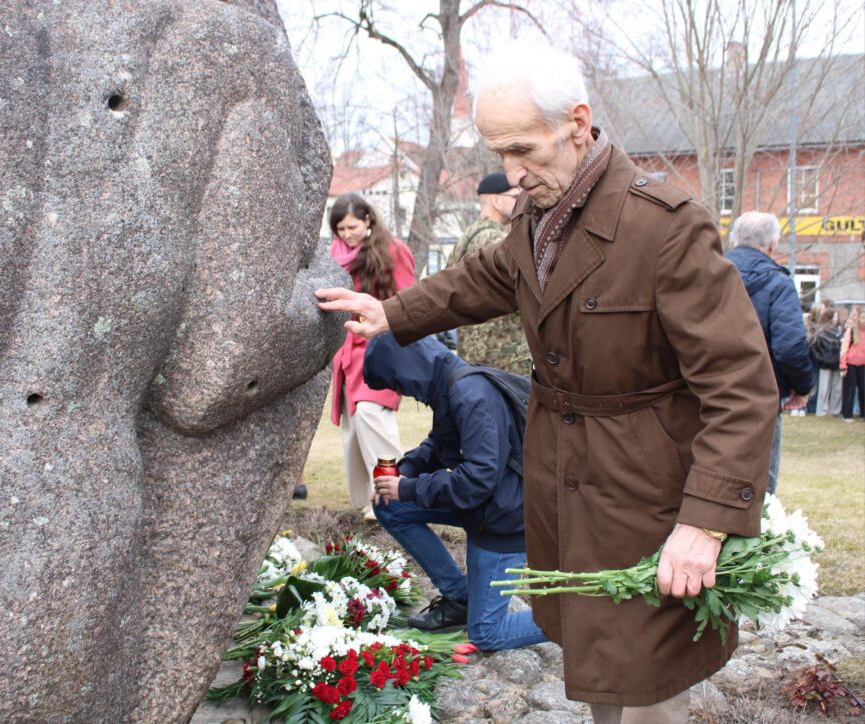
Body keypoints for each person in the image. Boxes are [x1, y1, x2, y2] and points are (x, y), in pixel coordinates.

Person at [316, 42, 777, 722]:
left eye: (522, 150)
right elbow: (488, 277)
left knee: (647, 674)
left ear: (579, 123)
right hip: (567, 477)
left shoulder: (666, 228)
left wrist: (705, 523)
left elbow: (741, 385)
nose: (510, 173)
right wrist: (390, 312)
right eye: (498, 153)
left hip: (644, 487)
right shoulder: (543, 212)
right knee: (597, 658)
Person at [363, 332, 547, 650]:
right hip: (484, 506)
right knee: (389, 505)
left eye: (398, 384)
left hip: (505, 519)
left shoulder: (470, 393)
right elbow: (439, 443)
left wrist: (409, 488)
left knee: (487, 633)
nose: (402, 393)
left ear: (408, 370)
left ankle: (580, 615)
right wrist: (403, 473)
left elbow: (478, 478)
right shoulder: (450, 385)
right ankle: (460, 597)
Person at [327, 193, 416, 521]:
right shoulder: (335, 257)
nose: (346, 234)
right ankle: (370, 502)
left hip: (381, 349)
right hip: (348, 354)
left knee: (371, 415)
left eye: (351, 226)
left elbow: (409, 300)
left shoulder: (392, 251)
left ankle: (395, 496)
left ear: (368, 221)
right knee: (353, 428)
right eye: (340, 229)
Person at [725, 212, 814, 493]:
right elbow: (790, 347)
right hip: (759, 394)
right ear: (772, 245)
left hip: (703, 391)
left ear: (734, 240)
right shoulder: (778, 283)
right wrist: (802, 387)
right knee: (760, 484)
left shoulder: (706, 273)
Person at [446, 173, 532, 374]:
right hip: (506, 355)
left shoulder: (465, 239)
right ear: (495, 200)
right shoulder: (497, 240)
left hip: (472, 356)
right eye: (514, 197)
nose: (521, 203)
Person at [808, 304, 843, 416]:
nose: (837, 319)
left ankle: (835, 410)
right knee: (823, 389)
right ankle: (821, 410)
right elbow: (815, 347)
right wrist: (821, 359)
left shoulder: (840, 331)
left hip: (837, 363)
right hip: (825, 363)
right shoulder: (821, 332)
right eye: (835, 316)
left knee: (837, 389)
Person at [840, 307, 865, 421]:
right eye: (862, 317)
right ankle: (847, 414)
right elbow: (844, 349)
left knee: (863, 389)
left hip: (863, 364)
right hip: (851, 364)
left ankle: (863, 413)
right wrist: (843, 366)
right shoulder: (851, 331)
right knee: (849, 390)